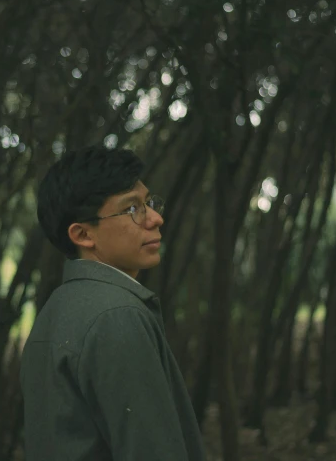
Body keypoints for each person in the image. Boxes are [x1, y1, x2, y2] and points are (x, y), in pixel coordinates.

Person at [20, 145, 206, 460]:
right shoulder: (116, 316)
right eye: (132, 209)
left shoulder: (58, 308)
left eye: (149, 202)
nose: (156, 218)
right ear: (82, 234)